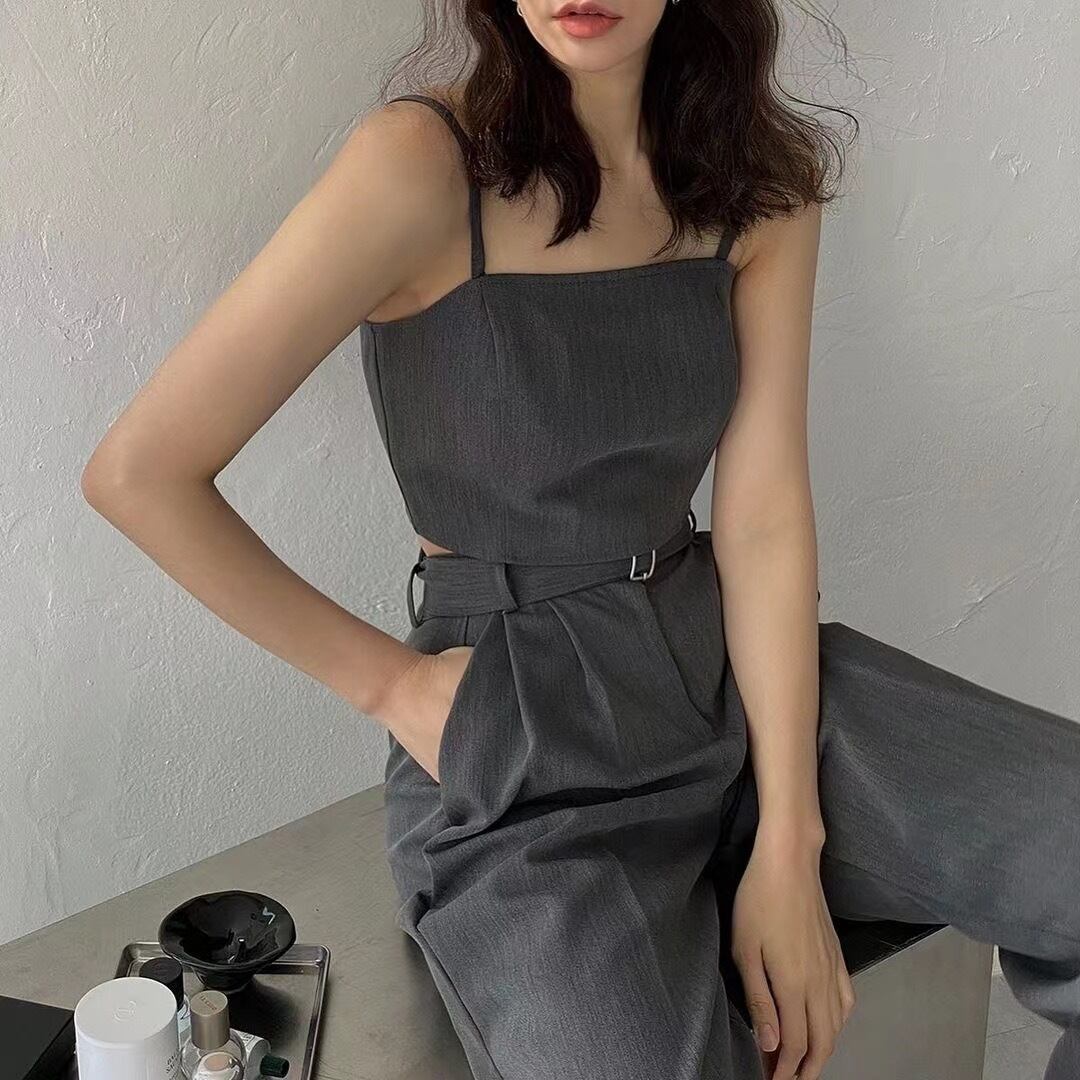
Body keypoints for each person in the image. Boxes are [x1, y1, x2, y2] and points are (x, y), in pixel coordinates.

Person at [81, 2, 1079, 1078]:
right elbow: (142, 474)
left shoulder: (758, 184)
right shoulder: (420, 166)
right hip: (521, 732)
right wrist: (395, 688)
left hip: (728, 674)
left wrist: (790, 846)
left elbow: (762, 519)